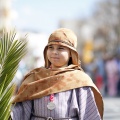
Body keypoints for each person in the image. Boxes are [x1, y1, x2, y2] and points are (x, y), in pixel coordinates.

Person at [11, 28, 104, 120]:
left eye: (60, 48)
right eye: (51, 47)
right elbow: (22, 111)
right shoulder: (35, 77)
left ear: (71, 53)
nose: (54, 52)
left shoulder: (80, 80)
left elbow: (89, 115)